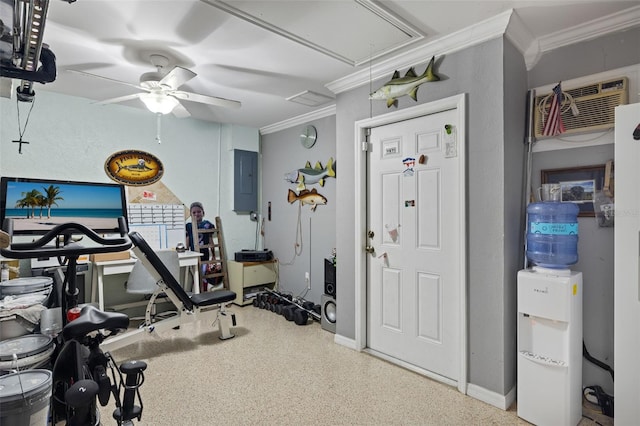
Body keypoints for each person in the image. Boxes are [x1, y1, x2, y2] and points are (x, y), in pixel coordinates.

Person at [185, 202, 221, 291]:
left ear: (203, 213)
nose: (197, 214)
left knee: (204, 275)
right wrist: (186, 250)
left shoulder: (207, 224)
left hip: (205, 255)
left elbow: (210, 239)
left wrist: (213, 255)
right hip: (193, 254)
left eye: (199, 211)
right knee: (195, 275)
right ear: (190, 214)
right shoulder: (188, 226)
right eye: (194, 212)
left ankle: (204, 292)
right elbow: (187, 238)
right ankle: (196, 292)